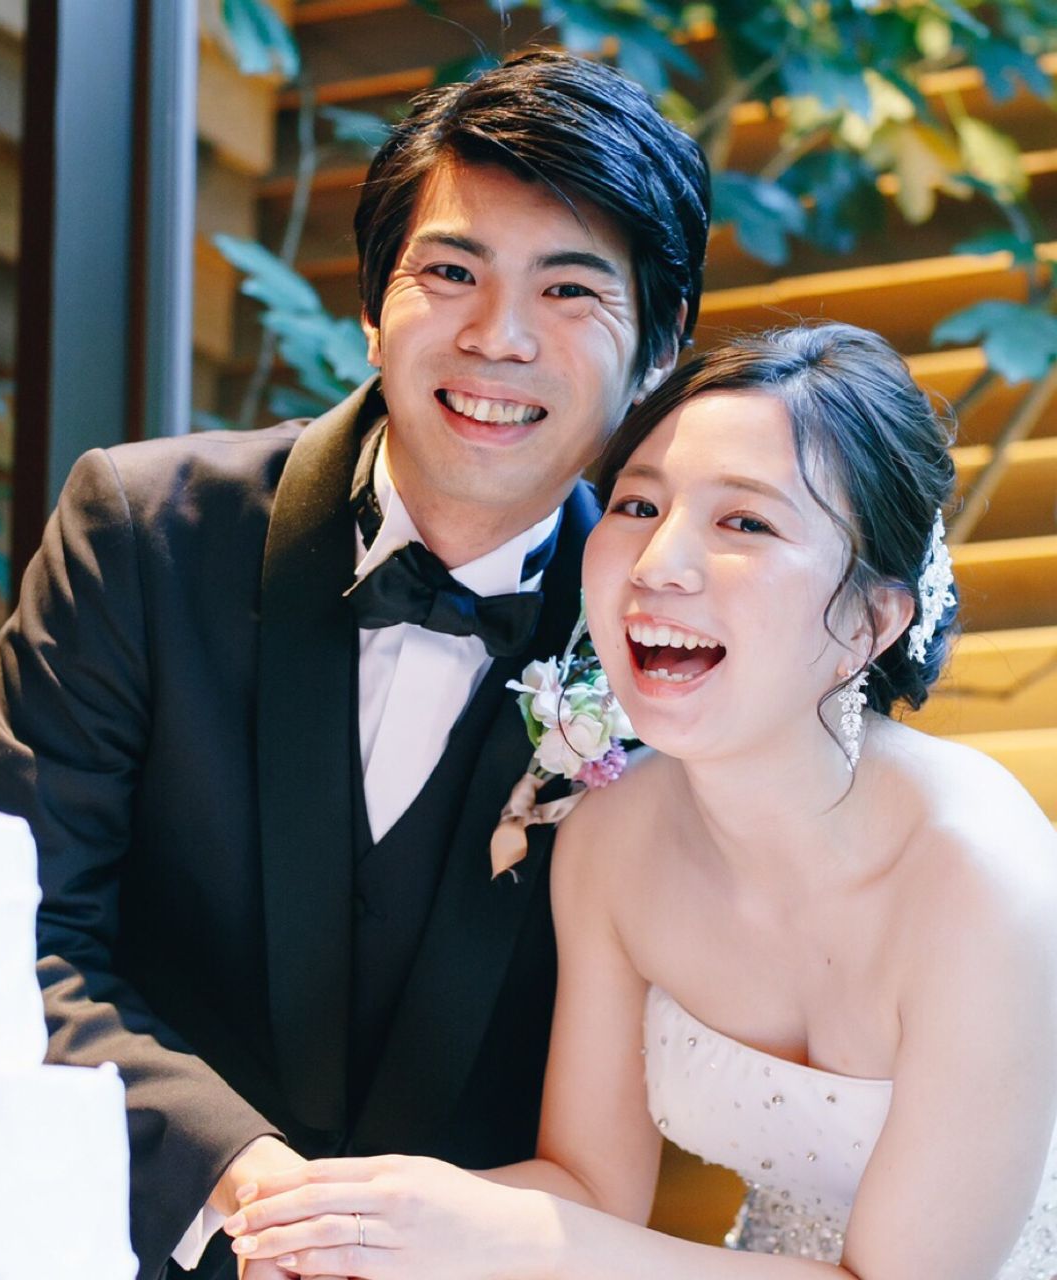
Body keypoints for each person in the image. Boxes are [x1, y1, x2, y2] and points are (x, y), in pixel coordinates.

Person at [0, 49, 709, 1280]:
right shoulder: (141, 531)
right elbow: (17, 929)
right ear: (372, 304)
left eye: (569, 290)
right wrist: (252, 1192)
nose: (497, 337)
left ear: (659, 345)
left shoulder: (670, 645)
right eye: (450, 272)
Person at [219, 324, 1057, 1279]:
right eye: (637, 503)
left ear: (871, 621)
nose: (658, 563)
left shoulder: (981, 884)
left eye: (745, 523)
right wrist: (350, 1222)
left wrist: (499, 1235)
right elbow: (590, 1188)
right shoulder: (612, 838)